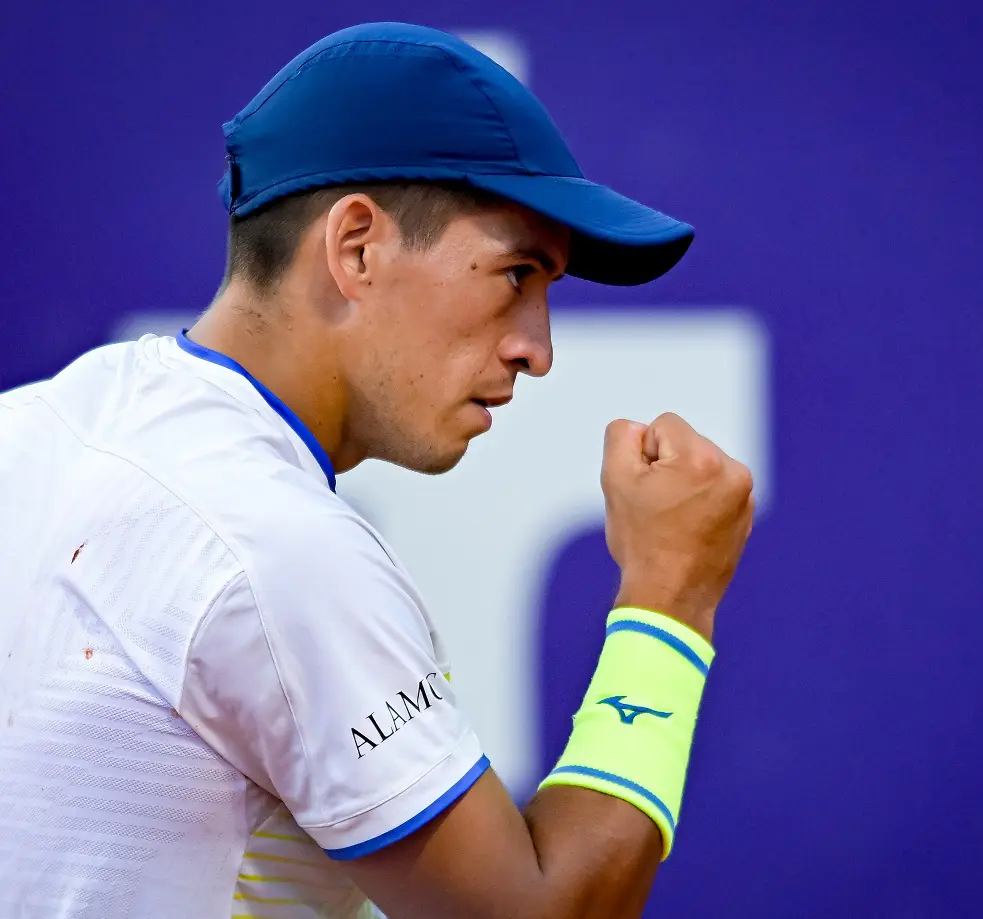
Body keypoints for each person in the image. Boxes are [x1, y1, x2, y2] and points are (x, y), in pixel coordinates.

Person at [0, 22, 753, 919]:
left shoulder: (31, 429)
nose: (538, 349)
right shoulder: (276, 549)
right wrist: (670, 595)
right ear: (356, 246)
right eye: (516, 274)